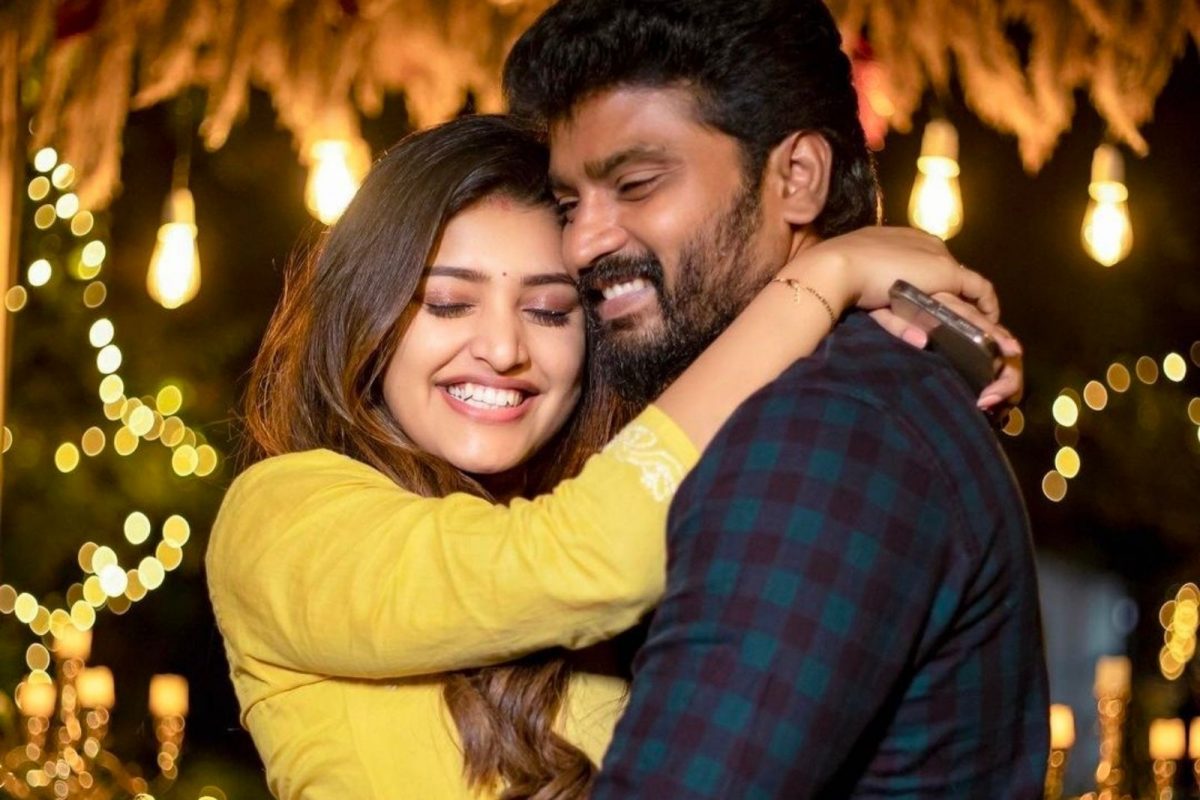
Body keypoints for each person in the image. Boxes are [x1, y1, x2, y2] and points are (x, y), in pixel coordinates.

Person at [206, 115, 1018, 799]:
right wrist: (825, 276)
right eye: (449, 303)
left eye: (549, 311)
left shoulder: (608, 512)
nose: (503, 348)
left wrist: (891, 346)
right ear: (370, 318)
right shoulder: (278, 513)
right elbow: (584, 556)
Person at [501, 1, 1048, 797]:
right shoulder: (843, 392)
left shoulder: (823, 428)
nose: (584, 242)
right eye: (568, 205)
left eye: (636, 184)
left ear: (796, 178)